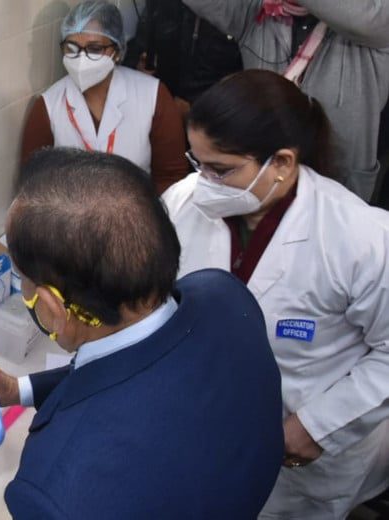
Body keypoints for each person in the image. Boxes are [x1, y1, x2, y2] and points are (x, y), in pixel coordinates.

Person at [0, 149, 284, 518]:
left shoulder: (57, 490)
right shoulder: (225, 297)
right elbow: (130, 364)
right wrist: (19, 389)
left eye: (22, 280)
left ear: (54, 309)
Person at [163, 69, 389, 518]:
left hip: (305, 453)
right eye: (197, 163)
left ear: (282, 162)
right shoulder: (184, 202)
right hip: (205, 424)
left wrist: (315, 426)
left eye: (220, 169)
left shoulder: (359, 238)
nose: (203, 181)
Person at [182, 0, 389, 202]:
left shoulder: (377, 16)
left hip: (339, 181)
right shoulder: (257, 10)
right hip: (265, 179)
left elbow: (367, 18)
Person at [20, 1, 189, 194]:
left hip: (138, 209)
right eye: (72, 48)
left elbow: (171, 177)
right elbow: (32, 183)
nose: (81, 59)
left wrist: (145, 211)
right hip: (71, 211)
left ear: (117, 51)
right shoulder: (48, 106)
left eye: (95, 49)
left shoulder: (153, 95)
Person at [124, 0, 243, 110]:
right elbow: (140, 43)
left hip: (207, 111)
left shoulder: (236, 11)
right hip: (161, 100)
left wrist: (192, 106)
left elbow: (239, 77)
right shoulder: (164, 5)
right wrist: (137, 66)